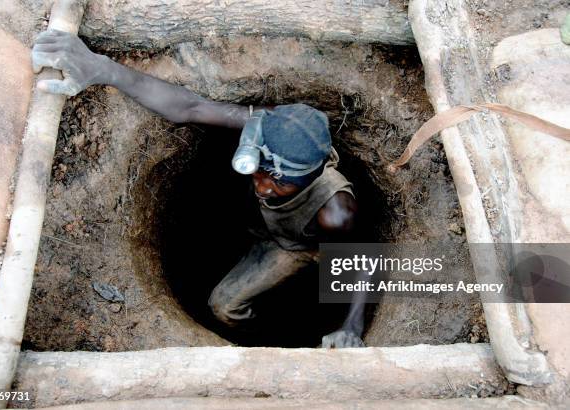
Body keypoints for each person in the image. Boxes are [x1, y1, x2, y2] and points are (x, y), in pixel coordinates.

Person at [32, 29, 367, 347]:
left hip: (295, 243)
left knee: (224, 307)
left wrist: (352, 325)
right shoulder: (273, 126)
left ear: (311, 176)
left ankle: (265, 337)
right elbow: (191, 108)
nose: (262, 186)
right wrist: (103, 68)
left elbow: (362, 260)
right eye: (258, 169)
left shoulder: (336, 213)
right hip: (260, 222)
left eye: (278, 181)